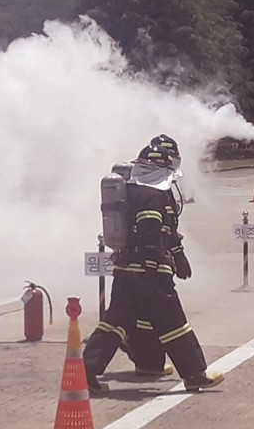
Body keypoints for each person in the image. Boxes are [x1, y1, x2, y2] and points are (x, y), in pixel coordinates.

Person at [83, 143, 224, 393]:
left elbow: (165, 231)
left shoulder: (135, 190)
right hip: (149, 272)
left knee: (115, 321)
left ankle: (85, 372)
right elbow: (150, 231)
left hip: (127, 270)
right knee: (174, 323)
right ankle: (195, 374)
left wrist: (179, 255)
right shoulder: (152, 195)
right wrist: (156, 263)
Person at [124, 134, 191, 377]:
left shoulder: (141, 187)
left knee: (143, 317)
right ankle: (194, 372)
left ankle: (148, 363)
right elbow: (162, 229)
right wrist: (169, 258)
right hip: (151, 263)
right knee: (168, 319)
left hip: (137, 261)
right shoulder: (156, 192)